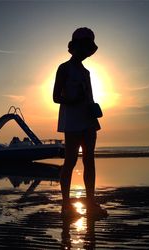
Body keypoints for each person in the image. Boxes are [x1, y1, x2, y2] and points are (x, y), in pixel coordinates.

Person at [53, 27, 107, 218]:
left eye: (88, 49)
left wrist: (92, 107)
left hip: (89, 120)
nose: (86, 52)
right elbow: (55, 97)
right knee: (70, 161)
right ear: (75, 47)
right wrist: (72, 100)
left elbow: (89, 97)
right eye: (84, 48)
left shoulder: (86, 72)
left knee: (89, 160)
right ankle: (66, 205)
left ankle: (90, 203)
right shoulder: (64, 68)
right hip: (72, 120)